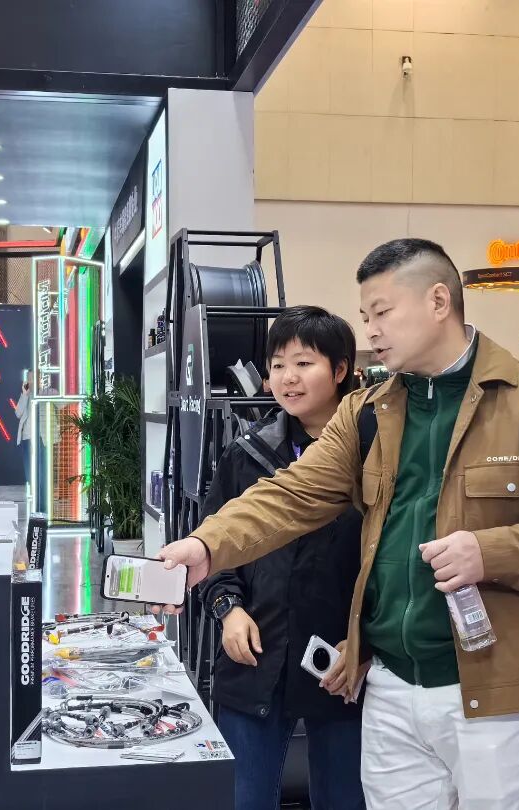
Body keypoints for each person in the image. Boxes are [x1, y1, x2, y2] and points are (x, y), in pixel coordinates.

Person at [159, 238, 519, 810]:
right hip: (390, 688)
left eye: (382, 313)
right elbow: (292, 494)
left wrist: (491, 553)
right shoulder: (368, 412)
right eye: (365, 315)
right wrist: (206, 546)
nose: (370, 330)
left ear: (438, 302)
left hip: (496, 692)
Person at [199, 305, 366, 810]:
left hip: (341, 663)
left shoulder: (375, 456)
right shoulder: (246, 454)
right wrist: (228, 610)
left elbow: (388, 557)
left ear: (340, 370)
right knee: (244, 798)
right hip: (255, 656)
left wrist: (365, 640)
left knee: (344, 798)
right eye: (276, 366)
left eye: (303, 363)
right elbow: (214, 544)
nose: (287, 378)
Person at [15, 371, 32, 484]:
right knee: (29, 470)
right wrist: (25, 395)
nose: (31, 381)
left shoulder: (45, 393)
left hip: (42, 438)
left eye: (34, 378)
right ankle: (31, 490)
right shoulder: (25, 396)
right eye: (29, 378)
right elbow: (18, 414)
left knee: (42, 470)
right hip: (27, 437)